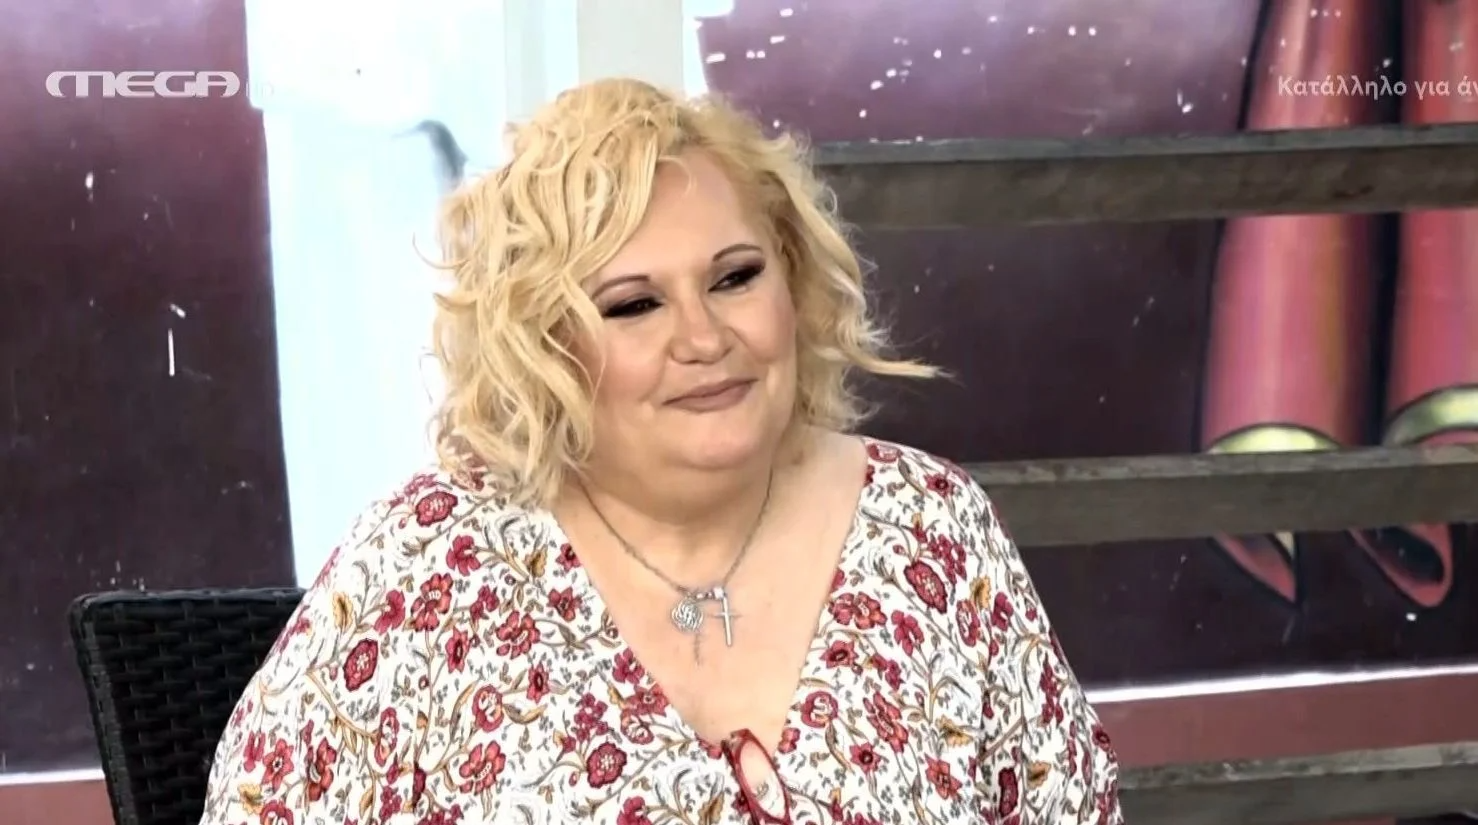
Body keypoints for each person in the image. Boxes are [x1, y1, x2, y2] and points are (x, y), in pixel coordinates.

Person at [199, 78, 1121, 825]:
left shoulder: (934, 530)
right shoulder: (425, 564)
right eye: (634, 304)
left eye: (735, 278)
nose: (705, 337)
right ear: (543, 346)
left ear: (794, 280)